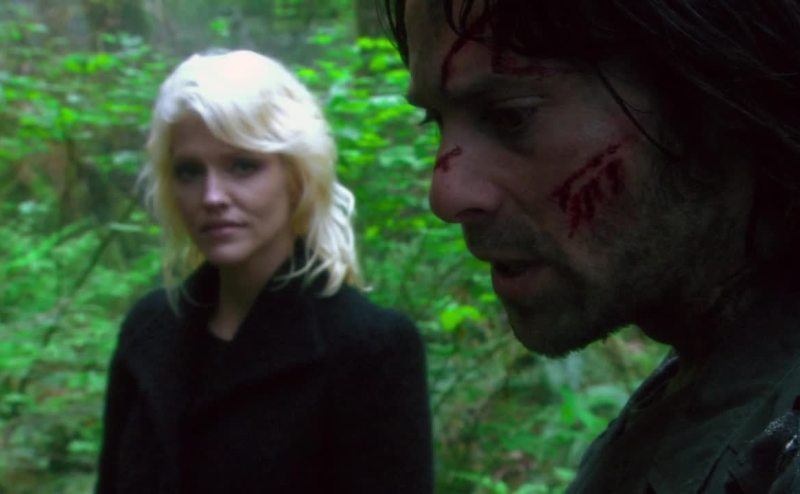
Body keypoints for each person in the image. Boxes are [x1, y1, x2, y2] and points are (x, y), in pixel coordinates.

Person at [383, 0, 800, 491]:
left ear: (711, 100)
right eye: (435, 120)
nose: (446, 195)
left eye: (510, 117)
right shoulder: (703, 380)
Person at [95, 49, 433, 493]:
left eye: (242, 166)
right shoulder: (149, 329)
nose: (212, 196)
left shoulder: (369, 347)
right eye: (189, 171)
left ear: (295, 175)